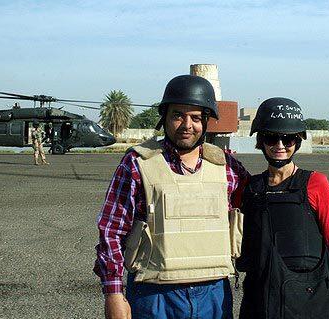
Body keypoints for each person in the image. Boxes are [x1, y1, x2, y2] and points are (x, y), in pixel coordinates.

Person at [94, 74, 249, 319]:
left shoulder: (226, 166)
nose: (187, 125)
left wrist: (307, 188)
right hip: (154, 293)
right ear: (164, 118)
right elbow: (112, 230)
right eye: (178, 115)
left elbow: (261, 201)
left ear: (206, 122)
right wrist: (113, 294)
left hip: (214, 293)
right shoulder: (137, 164)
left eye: (196, 117)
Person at [236, 97, 329, 319]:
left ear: (297, 141)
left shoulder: (316, 183)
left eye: (288, 139)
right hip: (261, 299)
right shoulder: (249, 187)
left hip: (310, 298)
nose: (280, 146)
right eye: (272, 138)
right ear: (261, 141)